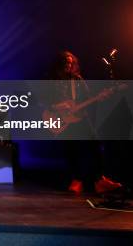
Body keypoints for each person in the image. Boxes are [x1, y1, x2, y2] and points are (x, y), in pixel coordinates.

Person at [50, 50, 122, 194]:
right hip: (63, 118)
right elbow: (43, 100)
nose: (68, 65)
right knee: (72, 150)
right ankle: (77, 181)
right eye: (65, 62)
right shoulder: (52, 80)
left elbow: (88, 97)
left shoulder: (77, 80)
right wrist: (57, 106)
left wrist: (100, 97)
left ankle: (99, 181)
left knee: (95, 146)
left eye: (71, 63)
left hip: (80, 116)